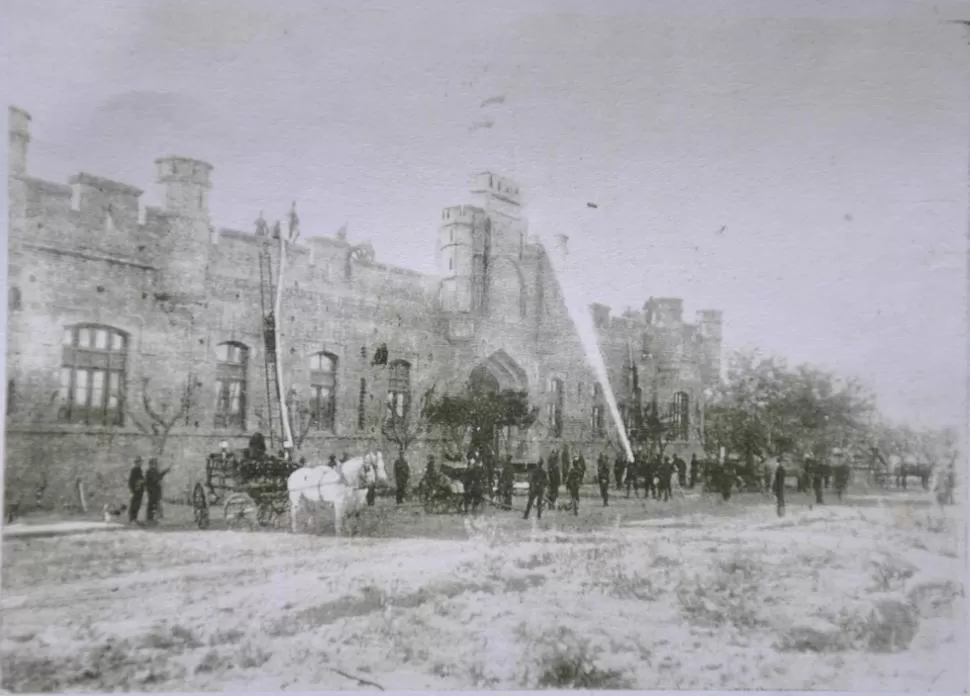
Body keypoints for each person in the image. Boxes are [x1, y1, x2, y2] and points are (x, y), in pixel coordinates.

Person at [145, 458, 170, 525]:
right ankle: (150, 518)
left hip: (157, 491)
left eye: (154, 464)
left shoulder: (155, 471)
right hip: (152, 491)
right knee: (152, 505)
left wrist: (164, 472)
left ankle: (156, 517)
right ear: (150, 465)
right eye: (152, 464)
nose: (153, 465)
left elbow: (159, 476)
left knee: (156, 504)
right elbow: (154, 479)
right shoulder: (149, 472)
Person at [128, 457, 145, 524]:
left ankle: (134, 518)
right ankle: (132, 518)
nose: (140, 463)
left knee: (137, 504)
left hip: (139, 490)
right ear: (136, 463)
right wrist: (134, 488)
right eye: (139, 462)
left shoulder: (139, 470)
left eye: (140, 462)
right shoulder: (135, 470)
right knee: (135, 504)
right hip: (136, 490)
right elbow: (131, 481)